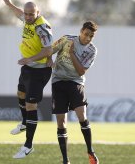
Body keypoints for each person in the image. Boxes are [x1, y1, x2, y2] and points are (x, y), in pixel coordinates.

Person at [2, 0, 53, 159]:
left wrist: (29, 59)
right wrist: (9, 4)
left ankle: (28, 146)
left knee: (31, 105)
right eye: (27, 14)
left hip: (39, 71)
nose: (28, 17)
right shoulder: (26, 18)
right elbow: (19, 13)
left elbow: (48, 51)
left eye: (31, 14)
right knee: (21, 94)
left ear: (38, 13)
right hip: (28, 68)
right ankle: (24, 123)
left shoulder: (42, 28)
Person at [50, 21, 99, 164]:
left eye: (91, 36)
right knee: (61, 122)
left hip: (76, 82)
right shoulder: (66, 39)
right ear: (81, 31)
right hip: (58, 81)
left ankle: (90, 151)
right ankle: (65, 160)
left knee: (82, 115)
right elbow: (50, 50)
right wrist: (47, 59)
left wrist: (71, 54)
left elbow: (81, 71)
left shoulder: (92, 50)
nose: (87, 38)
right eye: (86, 34)